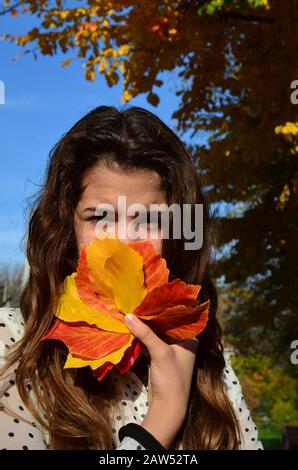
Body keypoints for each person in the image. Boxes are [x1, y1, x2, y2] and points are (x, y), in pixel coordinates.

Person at [0, 105, 263, 450]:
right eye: (99, 217)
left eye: (148, 220)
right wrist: (162, 420)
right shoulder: (14, 347)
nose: (124, 240)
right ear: (65, 228)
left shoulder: (208, 363)